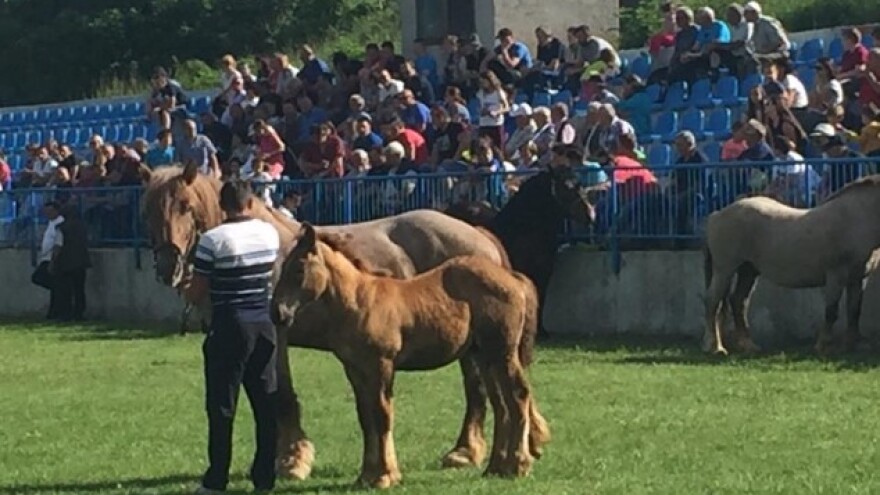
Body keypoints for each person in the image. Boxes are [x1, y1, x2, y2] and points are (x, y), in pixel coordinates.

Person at [185, 180, 280, 495]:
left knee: (222, 406)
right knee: (265, 403)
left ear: (221, 206)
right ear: (250, 203)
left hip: (229, 324)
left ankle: (217, 479)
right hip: (263, 323)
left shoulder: (212, 240)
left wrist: (183, 289)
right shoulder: (269, 234)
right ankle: (265, 477)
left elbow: (198, 292)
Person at [53, 203, 91, 321]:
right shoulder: (82, 226)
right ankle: (79, 313)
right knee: (79, 289)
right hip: (81, 263)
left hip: (66, 263)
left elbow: (58, 246)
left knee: (66, 290)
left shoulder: (62, 227)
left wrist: (53, 261)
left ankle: (66, 313)